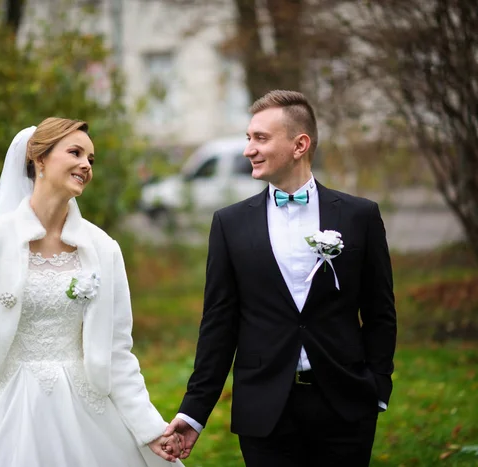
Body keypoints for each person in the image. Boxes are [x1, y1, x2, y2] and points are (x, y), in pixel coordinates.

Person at [0, 117, 184, 467]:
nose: (85, 165)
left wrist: (150, 428)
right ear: (39, 159)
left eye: (91, 159)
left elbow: (117, 351)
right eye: (75, 152)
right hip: (2, 406)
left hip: (83, 407)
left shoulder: (103, 249)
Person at [164, 90, 397, 466]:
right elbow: (219, 324)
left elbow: (380, 311)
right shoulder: (229, 224)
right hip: (264, 409)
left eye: (260, 138)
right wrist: (194, 412)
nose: (248, 150)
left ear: (299, 144)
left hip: (345, 406)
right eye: (248, 138)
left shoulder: (359, 216)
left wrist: (377, 387)